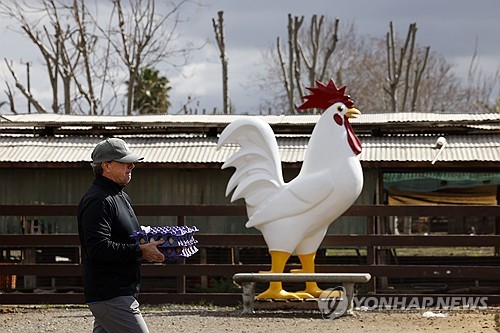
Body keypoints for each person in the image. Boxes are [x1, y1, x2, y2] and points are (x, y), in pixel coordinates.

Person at [77, 138, 165, 333]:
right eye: (124, 162)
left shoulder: (119, 196)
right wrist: (140, 251)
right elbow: (98, 248)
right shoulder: (99, 200)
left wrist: (148, 243)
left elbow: (124, 238)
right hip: (111, 294)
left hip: (117, 291)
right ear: (106, 166)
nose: (131, 166)